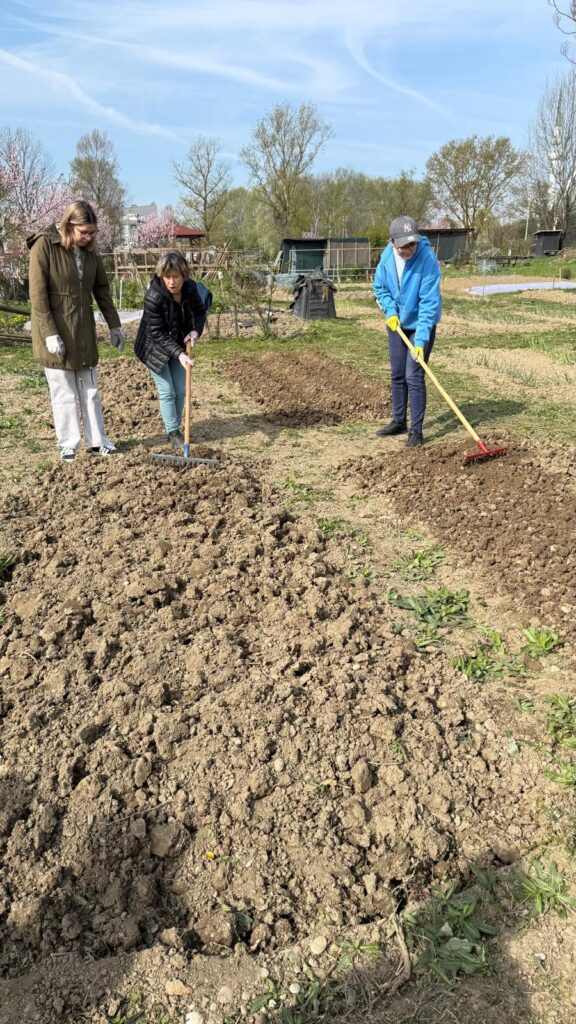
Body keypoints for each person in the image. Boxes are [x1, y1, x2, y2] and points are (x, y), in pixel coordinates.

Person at [27, 200, 125, 461]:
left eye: (93, 232)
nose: (89, 237)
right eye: (84, 232)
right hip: (56, 330)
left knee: (90, 390)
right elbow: (38, 295)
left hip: (83, 331)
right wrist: (49, 332)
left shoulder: (90, 251)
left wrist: (114, 324)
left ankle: (98, 442)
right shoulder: (45, 246)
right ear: (69, 225)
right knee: (64, 392)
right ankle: (68, 444)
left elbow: (101, 289)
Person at [373, 215, 442, 447]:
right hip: (397, 322)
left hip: (421, 323)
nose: (409, 249)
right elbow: (380, 288)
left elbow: (429, 303)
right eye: (403, 245)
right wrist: (390, 312)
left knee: (413, 375)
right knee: (397, 373)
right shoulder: (386, 259)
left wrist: (420, 341)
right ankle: (398, 421)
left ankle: (416, 430)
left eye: (412, 243)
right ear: (393, 242)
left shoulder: (427, 258)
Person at [134, 251, 207, 452]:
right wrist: (180, 354)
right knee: (167, 390)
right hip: (153, 347)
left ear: (184, 275)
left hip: (177, 342)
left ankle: (176, 428)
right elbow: (156, 333)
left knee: (181, 389)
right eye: (167, 277)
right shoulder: (154, 296)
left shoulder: (191, 288)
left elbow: (200, 312)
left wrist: (195, 330)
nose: (171, 282)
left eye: (176, 276)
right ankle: (173, 432)